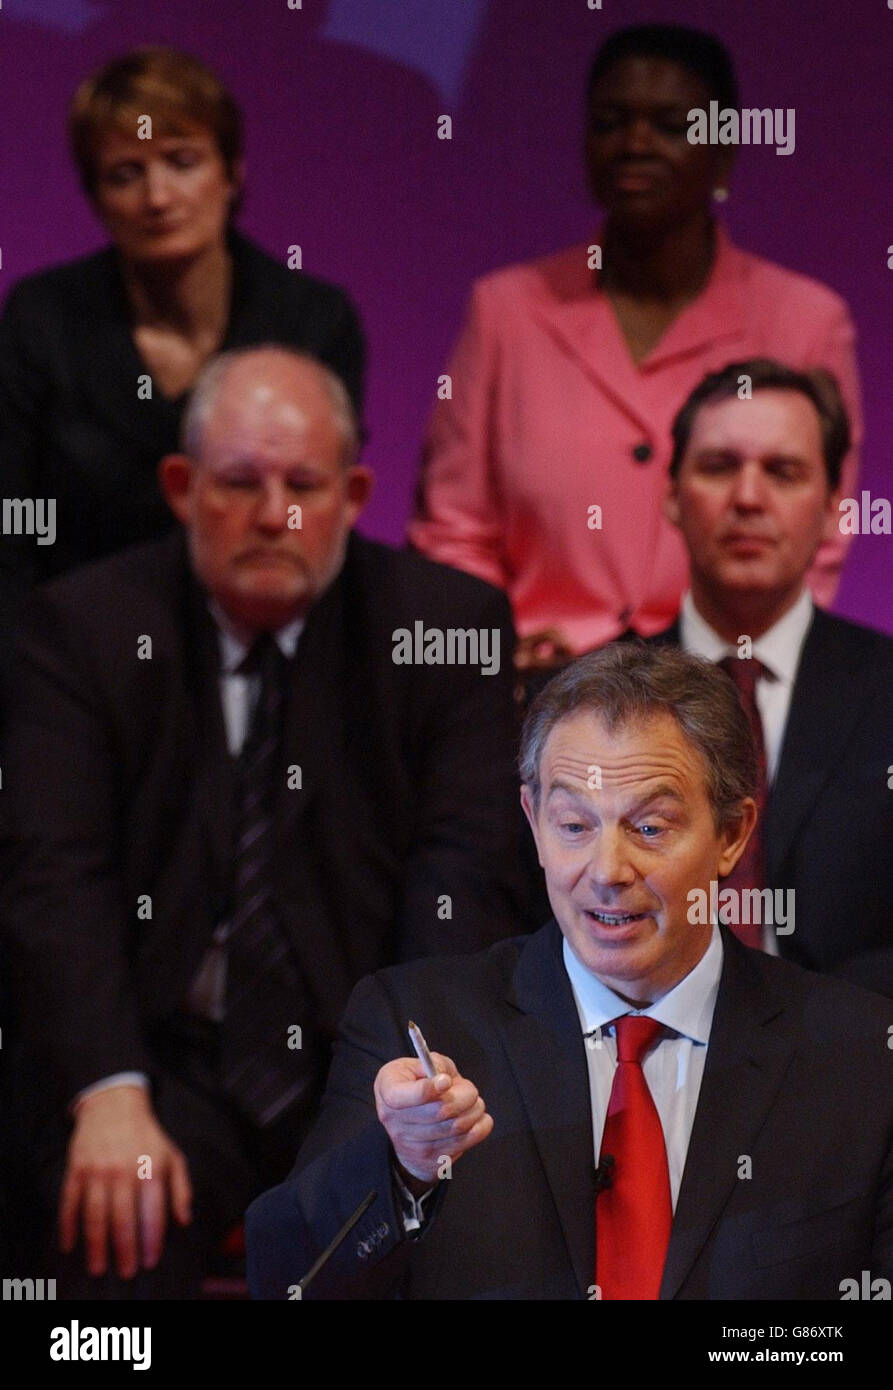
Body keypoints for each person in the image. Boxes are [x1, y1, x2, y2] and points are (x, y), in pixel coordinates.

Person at [0, 346, 525, 1299]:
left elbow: (460, 879)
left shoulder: (444, 630)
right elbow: (52, 874)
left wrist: (414, 1084)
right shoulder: (82, 630)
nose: (274, 513)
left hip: (363, 1054)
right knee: (109, 1250)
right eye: (239, 482)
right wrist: (108, 1089)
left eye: (303, 483)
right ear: (180, 485)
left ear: (355, 492)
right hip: (158, 1059)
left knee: (418, 1243)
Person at [245, 644, 893, 1301]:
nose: (607, 871)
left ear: (731, 834)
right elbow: (288, 1283)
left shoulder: (862, 1056)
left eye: (647, 827)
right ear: (532, 822)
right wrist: (403, 1169)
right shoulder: (416, 1020)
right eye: (573, 825)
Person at [408, 24, 860, 673]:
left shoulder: (804, 321)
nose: (635, 144)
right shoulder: (506, 309)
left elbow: (816, 537)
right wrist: (501, 646)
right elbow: (450, 530)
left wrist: (728, 668)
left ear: (723, 155)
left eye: (671, 124)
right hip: (533, 691)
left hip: (720, 699)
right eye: (610, 122)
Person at [0, 47, 364, 645]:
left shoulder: (313, 321)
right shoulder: (42, 319)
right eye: (125, 173)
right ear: (94, 198)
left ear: (232, 172)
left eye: (182, 161)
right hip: (77, 647)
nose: (158, 198)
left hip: (263, 649)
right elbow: (11, 530)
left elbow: (321, 529)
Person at [650, 358, 893, 992]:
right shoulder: (590, 701)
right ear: (672, 497)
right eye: (719, 467)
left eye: (783, 472)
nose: (749, 497)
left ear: (834, 509)